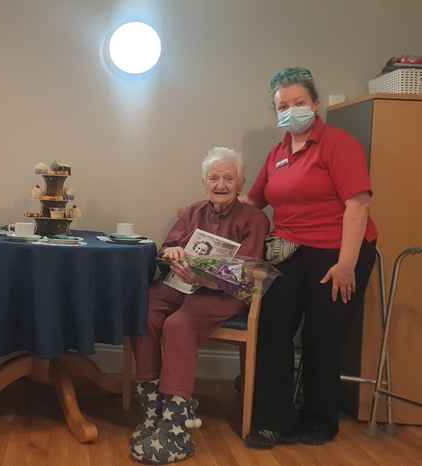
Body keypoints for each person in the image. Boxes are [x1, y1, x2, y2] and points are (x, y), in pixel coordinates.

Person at [245, 67, 377, 448]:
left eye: (298, 102)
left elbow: (357, 206)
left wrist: (347, 264)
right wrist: (215, 200)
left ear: (315, 105)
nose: (291, 110)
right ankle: (272, 421)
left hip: (339, 251)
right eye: (282, 106)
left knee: (323, 336)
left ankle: (320, 420)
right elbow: (253, 203)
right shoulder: (277, 153)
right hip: (289, 251)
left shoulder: (338, 144)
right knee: (273, 329)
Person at [131, 147, 269, 464]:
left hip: (223, 293)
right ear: (204, 181)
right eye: (214, 178)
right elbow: (168, 247)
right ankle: (154, 410)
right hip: (182, 284)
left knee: (178, 325)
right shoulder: (193, 211)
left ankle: (176, 424)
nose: (221, 184)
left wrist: (205, 271)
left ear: (241, 182)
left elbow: (247, 270)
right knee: (145, 310)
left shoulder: (254, 219)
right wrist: (175, 255)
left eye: (228, 178)